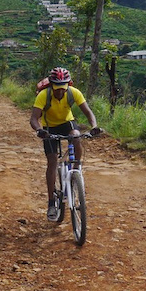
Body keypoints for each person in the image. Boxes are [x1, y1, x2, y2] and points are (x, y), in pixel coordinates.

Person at [30, 67, 101, 221]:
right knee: (52, 162)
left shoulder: (73, 92)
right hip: (49, 128)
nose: (60, 92)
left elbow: (88, 112)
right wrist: (39, 130)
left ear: (67, 85)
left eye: (63, 88)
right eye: (57, 89)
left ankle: (76, 168)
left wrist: (94, 126)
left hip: (67, 123)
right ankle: (51, 203)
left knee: (76, 136)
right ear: (52, 85)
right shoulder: (44, 95)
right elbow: (34, 118)